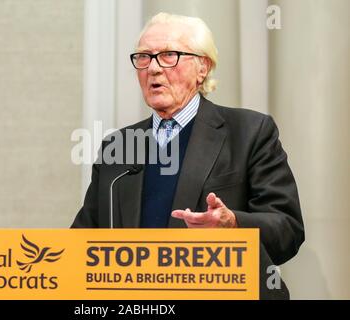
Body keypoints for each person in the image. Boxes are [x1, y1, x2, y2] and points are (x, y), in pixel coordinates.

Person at [71, 12, 304, 299]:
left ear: (202, 67)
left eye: (168, 55)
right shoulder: (118, 146)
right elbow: (82, 241)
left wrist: (232, 225)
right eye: (143, 57)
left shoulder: (249, 132)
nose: (153, 69)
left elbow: (287, 229)